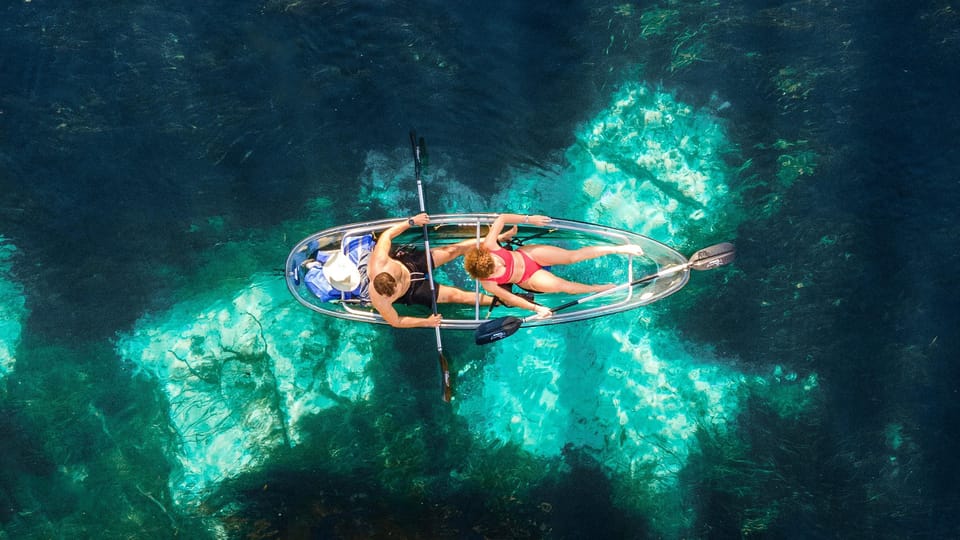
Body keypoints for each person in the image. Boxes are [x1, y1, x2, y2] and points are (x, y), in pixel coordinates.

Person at [463, 213, 644, 318]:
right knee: (564, 286)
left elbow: (501, 218)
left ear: (488, 254)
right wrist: (536, 308)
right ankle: (596, 288)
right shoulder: (488, 283)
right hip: (528, 278)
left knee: (571, 257)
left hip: (527, 255)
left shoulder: (488, 245)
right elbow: (510, 299)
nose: (500, 266)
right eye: (495, 271)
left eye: (497, 263)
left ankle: (620, 248)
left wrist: (528, 219)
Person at [368, 213, 494, 328]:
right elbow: (396, 321)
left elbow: (386, 235)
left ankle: (496, 239)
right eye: (392, 295)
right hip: (412, 291)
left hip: (410, 264)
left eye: (395, 289)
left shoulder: (380, 261)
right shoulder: (379, 300)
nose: (395, 292)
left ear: (392, 279)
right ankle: (500, 300)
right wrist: (427, 322)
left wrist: (411, 222)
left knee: (451, 250)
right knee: (456, 296)